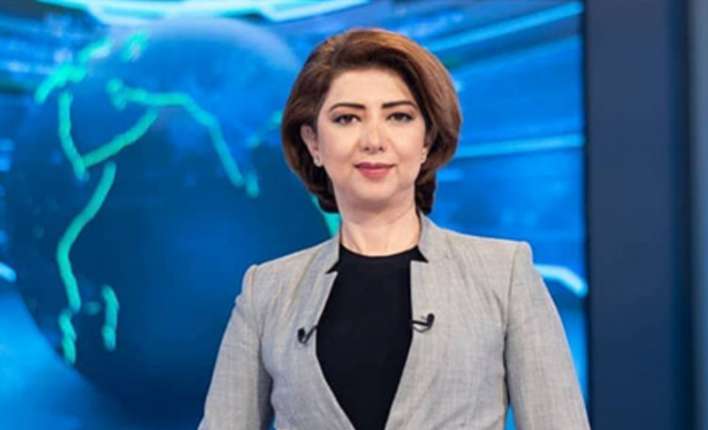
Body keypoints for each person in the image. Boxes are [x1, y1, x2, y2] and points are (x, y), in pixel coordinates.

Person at [199, 27, 590, 430]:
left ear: (426, 141)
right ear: (314, 143)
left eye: (398, 116)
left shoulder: (504, 275)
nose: (374, 140)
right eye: (347, 118)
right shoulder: (266, 292)